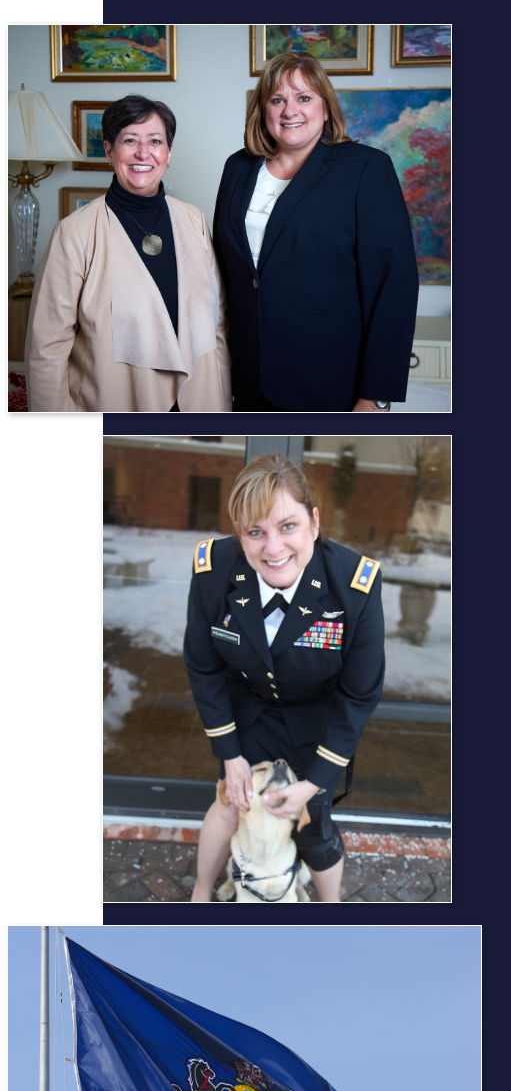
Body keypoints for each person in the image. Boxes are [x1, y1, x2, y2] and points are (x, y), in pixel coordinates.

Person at [183, 453, 385, 903]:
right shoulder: (214, 573)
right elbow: (204, 665)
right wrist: (230, 754)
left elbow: (359, 694)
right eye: (255, 532)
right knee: (231, 804)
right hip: (248, 709)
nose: (273, 548)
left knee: (313, 822)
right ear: (241, 534)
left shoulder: (354, 587)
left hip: (317, 720)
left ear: (314, 522)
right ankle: (201, 892)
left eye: (288, 526)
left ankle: (330, 907)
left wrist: (314, 783)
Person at [213, 53, 419, 412]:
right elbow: (224, 271)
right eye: (277, 100)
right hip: (245, 377)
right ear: (263, 110)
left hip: (327, 380)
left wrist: (376, 395)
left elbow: (393, 285)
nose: (289, 110)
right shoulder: (237, 167)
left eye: (304, 98)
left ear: (326, 109)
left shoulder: (365, 168)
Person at [25, 94, 231, 412]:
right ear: (109, 150)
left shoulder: (195, 220)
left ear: (169, 152)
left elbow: (218, 324)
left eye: (155, 141)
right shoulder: (74, 233)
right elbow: (47, 348)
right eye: (130, 140)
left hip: (198, 405)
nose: (143, 153)